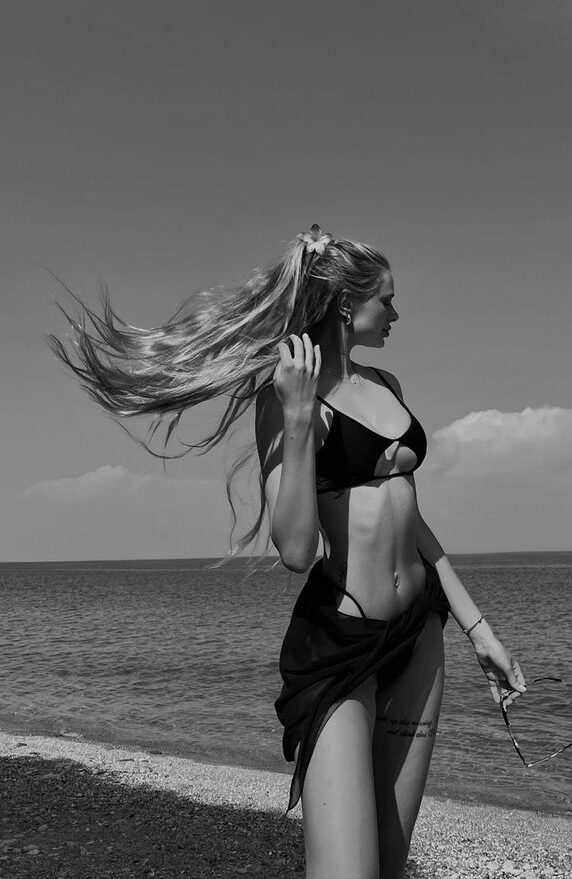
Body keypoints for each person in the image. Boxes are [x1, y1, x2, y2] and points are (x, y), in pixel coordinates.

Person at [50, 226, 527, 879]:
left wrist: (480, 632)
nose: (395, 313)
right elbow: (298, 549)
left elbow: (412, 519)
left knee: (391, 865)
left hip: (419, 638)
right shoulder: (282, 398)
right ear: (345, 304)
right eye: (386, 300)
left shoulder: (387, 382)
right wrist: (300, 418)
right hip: (341, 644)